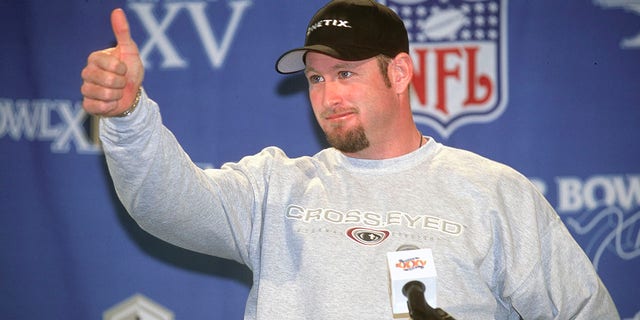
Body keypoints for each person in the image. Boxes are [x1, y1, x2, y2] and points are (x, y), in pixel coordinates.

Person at [80, 0, 619, 319]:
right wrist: (128, 115)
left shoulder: (493, 192)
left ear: (400, 74)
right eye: (316, 77)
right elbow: (166, 204)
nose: (327, 95)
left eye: (346, 73)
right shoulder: (276, 187)